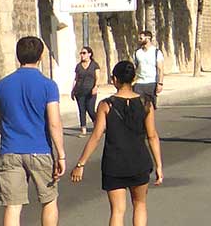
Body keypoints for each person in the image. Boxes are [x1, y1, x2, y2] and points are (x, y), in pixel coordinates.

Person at [69, 61, 162, 226]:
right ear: (133, 79)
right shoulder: (146, 103)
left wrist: (80, 164)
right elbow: (152, 136)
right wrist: (159, 165)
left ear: (114, 79)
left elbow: (96, 136)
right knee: (140, 205)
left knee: (117, 210)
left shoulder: (106, 105)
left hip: (114, 163)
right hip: (139, 161)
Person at [0, 36, 66, 226]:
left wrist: (11, 136)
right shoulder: (48, 85)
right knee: (49, 200)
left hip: (10, 149)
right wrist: (61, 155)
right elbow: (54, 123)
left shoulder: (1, 85)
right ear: (41, 56)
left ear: (18, 56)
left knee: (13, 205)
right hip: (40, 149)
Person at [71, 47, 102, 136]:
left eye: (84, 53)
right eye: (81, 53)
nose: (82, 55)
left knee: (90, 109)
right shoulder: (78, 66)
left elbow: (98, 77)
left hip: (90, 91)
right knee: (81, 110)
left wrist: (95, 87)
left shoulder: (94, 65)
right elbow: (76, 79)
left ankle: (98, 124)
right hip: (79, 91)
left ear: (89, 54)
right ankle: (83, 130)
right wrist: (72, 90)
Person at [132, 32, 168, 107]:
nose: (139, 40)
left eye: (141, 38)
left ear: (148, 38)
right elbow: (135, 68)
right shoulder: (137, 53)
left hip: (151, 83)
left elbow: (160, 69)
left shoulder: (156, 52)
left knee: (150, 108)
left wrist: (160, 83)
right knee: (138, 107)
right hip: (139, 84)